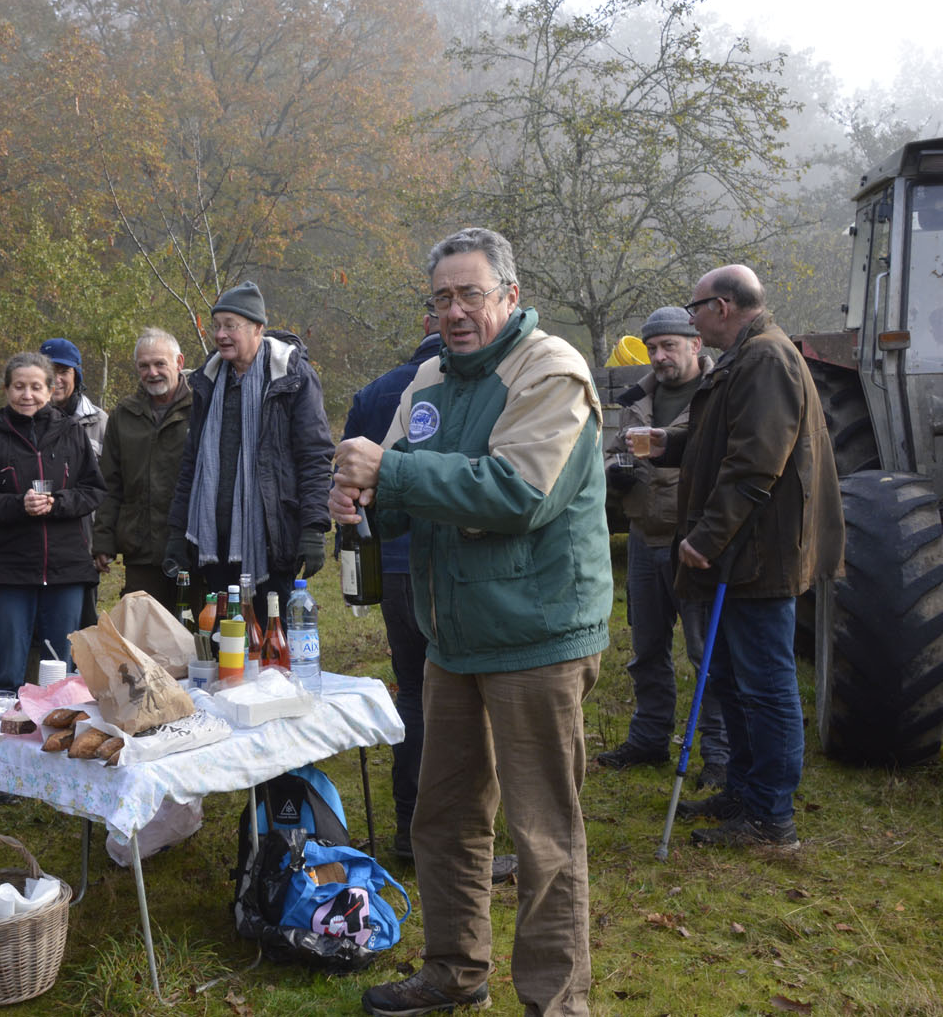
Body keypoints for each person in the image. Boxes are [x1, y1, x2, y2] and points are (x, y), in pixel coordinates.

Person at [331, 229, 611, 1017]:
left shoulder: (550, 371)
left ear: (510, 297)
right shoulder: (429, 379)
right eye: (441, 297)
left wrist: (389, 473)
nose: (454, 311)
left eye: (470, 295)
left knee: (543, 835)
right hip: (452, 634)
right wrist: (357, 495)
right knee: (444, 815)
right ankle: (454, 972)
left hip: (536, 633)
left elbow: (520, 491)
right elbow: (395, 480)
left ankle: (557, 1003)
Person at [652, 264, 842, 851]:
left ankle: (771, 818)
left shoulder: (765, 359)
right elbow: (727, 437)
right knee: (732, 678)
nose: (693, 317)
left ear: (725, 307)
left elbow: (757, 461)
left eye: (696, 307)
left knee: (766, 686)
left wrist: (706, 538)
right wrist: (670, 443)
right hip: (742, 551)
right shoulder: (746, 359)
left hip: (756, 554)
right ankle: (744, 791)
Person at [340, 310, 524, 882]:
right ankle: (463, 839)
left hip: (390, 560)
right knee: (462, 700)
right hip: (449, 561)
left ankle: (408, 828)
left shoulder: (374, 391)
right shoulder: (466, 389)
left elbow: (352, 477)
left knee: (415, 695)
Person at [596, 307, 729, 787]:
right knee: (646, 650)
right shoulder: (637, 399)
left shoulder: (719, 394)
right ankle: (649, 739)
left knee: (705, 653)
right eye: (652, 348)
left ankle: (718, 753)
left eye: (669, 346)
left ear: (696, 345)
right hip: (644, 539)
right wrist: (615, 472)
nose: (659, 356)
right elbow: (611, 453)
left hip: (694, 543)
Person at [165, 281, 332, 617]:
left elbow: (314, 456)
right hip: (215, 544)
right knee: (223, 648)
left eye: (231, 326)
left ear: (257, 328)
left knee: (273, 651)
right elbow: (192, 463)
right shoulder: (208, 381)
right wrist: (175, 531)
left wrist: (314, 528)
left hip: (270, 539)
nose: (221, 335)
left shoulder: (292, 376)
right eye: (217, 326)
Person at [0, 352, 105, 692]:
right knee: (9, 670)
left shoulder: (71, 431)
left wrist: (58, 503)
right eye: (19, 387)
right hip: (10, 568)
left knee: (60, 670)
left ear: (51, 388)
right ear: (6, 389)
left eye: (36, 387)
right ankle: (7, 738)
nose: (27, 395)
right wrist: (17, 505)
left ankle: (54, 738)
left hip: (66, 568)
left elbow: (94, 489)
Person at [92, 327, 196, 609]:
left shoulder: (202, 408)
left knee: (197, 635)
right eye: (144, 366)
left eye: (160, 363)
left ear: (179, 362)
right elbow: (110, 484)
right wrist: (102, 540)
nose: (152, 372)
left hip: (194, 547)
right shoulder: (123, 416)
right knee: (146, 638)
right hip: (142, 550)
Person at [40, 336, 107, 631]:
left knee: (82, 627)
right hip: (34, 545)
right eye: (48, 369)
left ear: (76, 376)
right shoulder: (21, 421)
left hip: (83, 546)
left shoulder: (101, 423)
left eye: (63, 371)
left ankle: (80, 679)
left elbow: (108, 487)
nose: (56, 378)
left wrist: (103, 542)